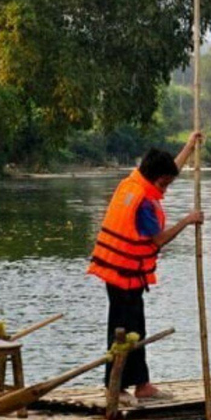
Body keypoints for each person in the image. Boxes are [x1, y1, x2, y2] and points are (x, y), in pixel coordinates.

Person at [87, 132, 204, 402]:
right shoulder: (142, 204)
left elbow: (169, 171)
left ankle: (142, 384)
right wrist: (188, 220)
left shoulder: (135, 182)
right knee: (122, 331)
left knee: (136, 329)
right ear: (153, 178)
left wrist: (189, 146)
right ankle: (114, 387)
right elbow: (159, 240)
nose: (165, 190)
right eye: (163, 185)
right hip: (122, 274)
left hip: (127, 273)